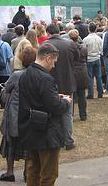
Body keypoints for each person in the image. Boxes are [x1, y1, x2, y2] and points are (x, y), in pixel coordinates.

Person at [18, 43, 72, 185]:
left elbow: (36, 98)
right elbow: (55, 107)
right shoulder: (46, 78)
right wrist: (65, 102)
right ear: (48, 58)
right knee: (48, 175)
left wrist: (55, 97)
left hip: (30, 129)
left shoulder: (25, 74)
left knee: (33, 171)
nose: (54, 65)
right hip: (47, 133)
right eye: (54, 61)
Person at [0, 47, 36, 182]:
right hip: (30, 114)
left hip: (15, 114)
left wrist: (6, 95)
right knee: (28, 145)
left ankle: (10, 172)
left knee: (11, 143)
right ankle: (27, 173)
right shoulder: (38, 75)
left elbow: (6, 91)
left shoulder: (16, 75)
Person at [44, 24, 78, 149]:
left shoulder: (46, 45)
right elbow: (77, 58)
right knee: (67, 114)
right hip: (68, 81)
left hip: (50, 83)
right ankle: (68, 141)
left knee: (53, 113)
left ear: (48, 33)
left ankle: (56, 140)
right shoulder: (70, 44)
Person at [68, 30, 89, 121]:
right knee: (82, 94)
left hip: (72, 72)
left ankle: (71, 114)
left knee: (71, 94)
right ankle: (83, 115)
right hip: (82, 71)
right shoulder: (84, 48)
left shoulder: (68, 49)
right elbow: (86, 60)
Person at [82, 23, 104, 99]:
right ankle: (100, 93)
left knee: (90, 77)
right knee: (99, 76)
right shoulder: (99, 38)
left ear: (88, 29)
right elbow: (101, 50)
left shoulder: (85, 39)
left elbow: (83, 50)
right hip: (97, 58)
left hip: (89, 59)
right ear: (95, 29)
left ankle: (90, 94)